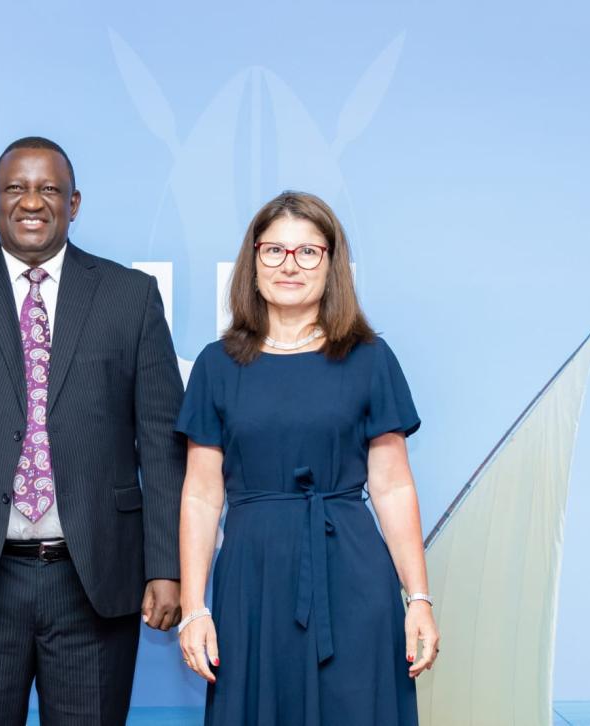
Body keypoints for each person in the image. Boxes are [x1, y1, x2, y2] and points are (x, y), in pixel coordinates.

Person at [0, 137, 186, 725]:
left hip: (93, 578)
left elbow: (163, 443)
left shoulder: (130, 297)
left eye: (49, 188)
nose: (32, 201)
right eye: (16, 188)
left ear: (75, 203)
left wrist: (165, 565)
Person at [176, 191, 440, 725]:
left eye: (307, 252)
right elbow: (202, 495)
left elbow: (392, 486)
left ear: (331, 262)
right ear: (253, 262)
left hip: (351, 574)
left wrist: (418, 598)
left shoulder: (369, 359)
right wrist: (193, 609)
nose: (288, 265)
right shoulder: (216, 365)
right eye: (273, 251)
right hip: (253, 581)